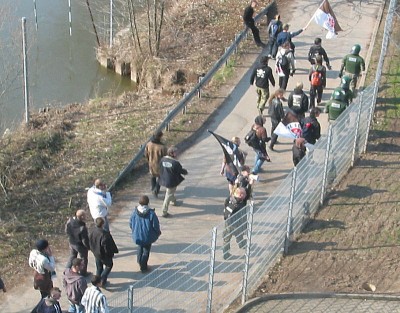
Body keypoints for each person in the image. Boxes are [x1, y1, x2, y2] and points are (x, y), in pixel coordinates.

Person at [129, 195, 161, 273]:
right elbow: (155, 225)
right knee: (146, 251)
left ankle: (139, 261)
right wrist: (158, 232)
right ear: (148, 203)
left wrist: (134, 230)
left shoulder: (134, 212)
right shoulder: (151, 213)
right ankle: (143, 267)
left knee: (140, 248)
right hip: (148, 236)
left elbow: (130, 223)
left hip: (138, 235)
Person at [89, 217, 119, 288]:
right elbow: (107, 247)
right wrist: (110, 254)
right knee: (109, 266)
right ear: (103, 224)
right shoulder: (105, 234)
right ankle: (102, 280)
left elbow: (89, 242)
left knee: (99, 268)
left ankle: (97, 280)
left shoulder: (92, 231)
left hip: (96, 253)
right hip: (103, 255)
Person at [159, 146, 188, 217]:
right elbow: (181, 171)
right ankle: (164, 211)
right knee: (168, 195)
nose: (177, 153)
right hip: (171, 181)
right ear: (172, 153)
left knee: (170, 192)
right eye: (176, 152)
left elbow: (160, 168)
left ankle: (173, 201)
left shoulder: (162, 159)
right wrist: (185, 172)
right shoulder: (175, 163)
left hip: (164, 179)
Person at [29, 239, 56, 313]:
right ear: (45, 248)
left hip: (37, 275)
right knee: (46, 296)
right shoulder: (44, 259)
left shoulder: (33, 252)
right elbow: (52, 267)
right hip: (44, 279)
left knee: (43, 294)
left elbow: (30, 264)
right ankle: (37, 310)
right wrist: (51, 256)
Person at [222, 187, 248, 260]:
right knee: (227, 239)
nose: (246, 196)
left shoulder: (240, 200)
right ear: (240, 195)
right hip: (231, 224)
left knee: (238, 236)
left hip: (236, 223)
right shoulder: (232, 201)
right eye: (244, 194)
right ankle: (226, 254)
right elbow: (226, 214)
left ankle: (241, 245)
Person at [65, 209, 90, 276]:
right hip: (79, 245)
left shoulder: (70, 220)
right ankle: (83, 273)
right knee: (84, 259)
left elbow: (66, 230)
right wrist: (88, 247)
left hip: (71, 242)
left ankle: (66, 270)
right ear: (81, 216)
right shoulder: (82, 228)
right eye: (85, 215)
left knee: (72, 256)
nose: (86, 217)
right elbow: (84, 240)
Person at [145, 130, 167, 198]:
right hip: (159, 165)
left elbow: (146, 154)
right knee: (160, 178)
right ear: (160, 137)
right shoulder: (162, 147)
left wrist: (149, 160)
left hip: (151, 163)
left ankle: (153, 188)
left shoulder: (149, 144)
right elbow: (165, 157)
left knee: (153, 176)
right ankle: (156, 190)